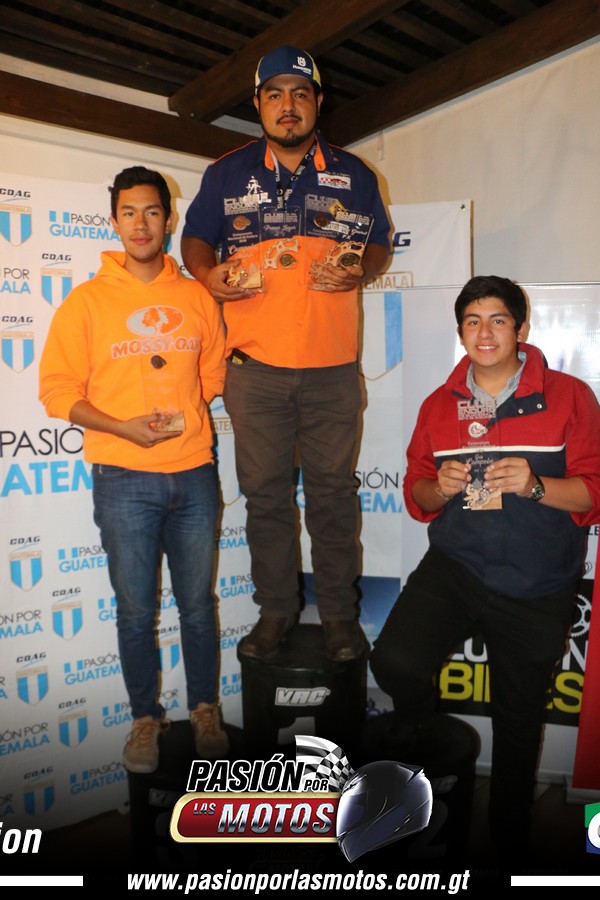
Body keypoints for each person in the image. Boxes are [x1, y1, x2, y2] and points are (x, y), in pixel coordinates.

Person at [370, 275, 600, 858]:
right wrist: (439, 488)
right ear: (461, 332)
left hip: (537, 583)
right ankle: (420, 728)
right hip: (457, 567)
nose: (485, 331)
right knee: (394, 662)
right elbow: (416, 491)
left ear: (521, 328)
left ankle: (507, 842)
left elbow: (594, 492)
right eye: (473, 321)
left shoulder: (571, 396)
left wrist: (535, 484)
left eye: (498, 319)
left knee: (518, 720)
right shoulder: (439, 404)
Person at [181, 45, 391, 663]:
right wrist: (207, 275)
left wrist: (361, 268)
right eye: (274, 95)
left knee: (333, 499)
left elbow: (379, 243)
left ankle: (340, 618)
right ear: (258, 104)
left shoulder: (355, 174)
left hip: (332, 370)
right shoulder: (226, 173)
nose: (288, 105)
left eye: (300, 93)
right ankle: (275, 612)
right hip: (255, 372)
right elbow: (195, 238)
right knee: (267, 501)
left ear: (318, 102)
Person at [39, 166, 229, 774]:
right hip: (122, 477)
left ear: (168, 220)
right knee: (136, 612)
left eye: (151, 212)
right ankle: (145, 719)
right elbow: (56, 391)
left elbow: (213, 375)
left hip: (194, 473)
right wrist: (122, 427)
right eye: (129, 213)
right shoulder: (86, 302)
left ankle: (205, 710)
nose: (141, 224)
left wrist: (184, 416)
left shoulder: (196, 297)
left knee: (197, 605)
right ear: (114, 221)